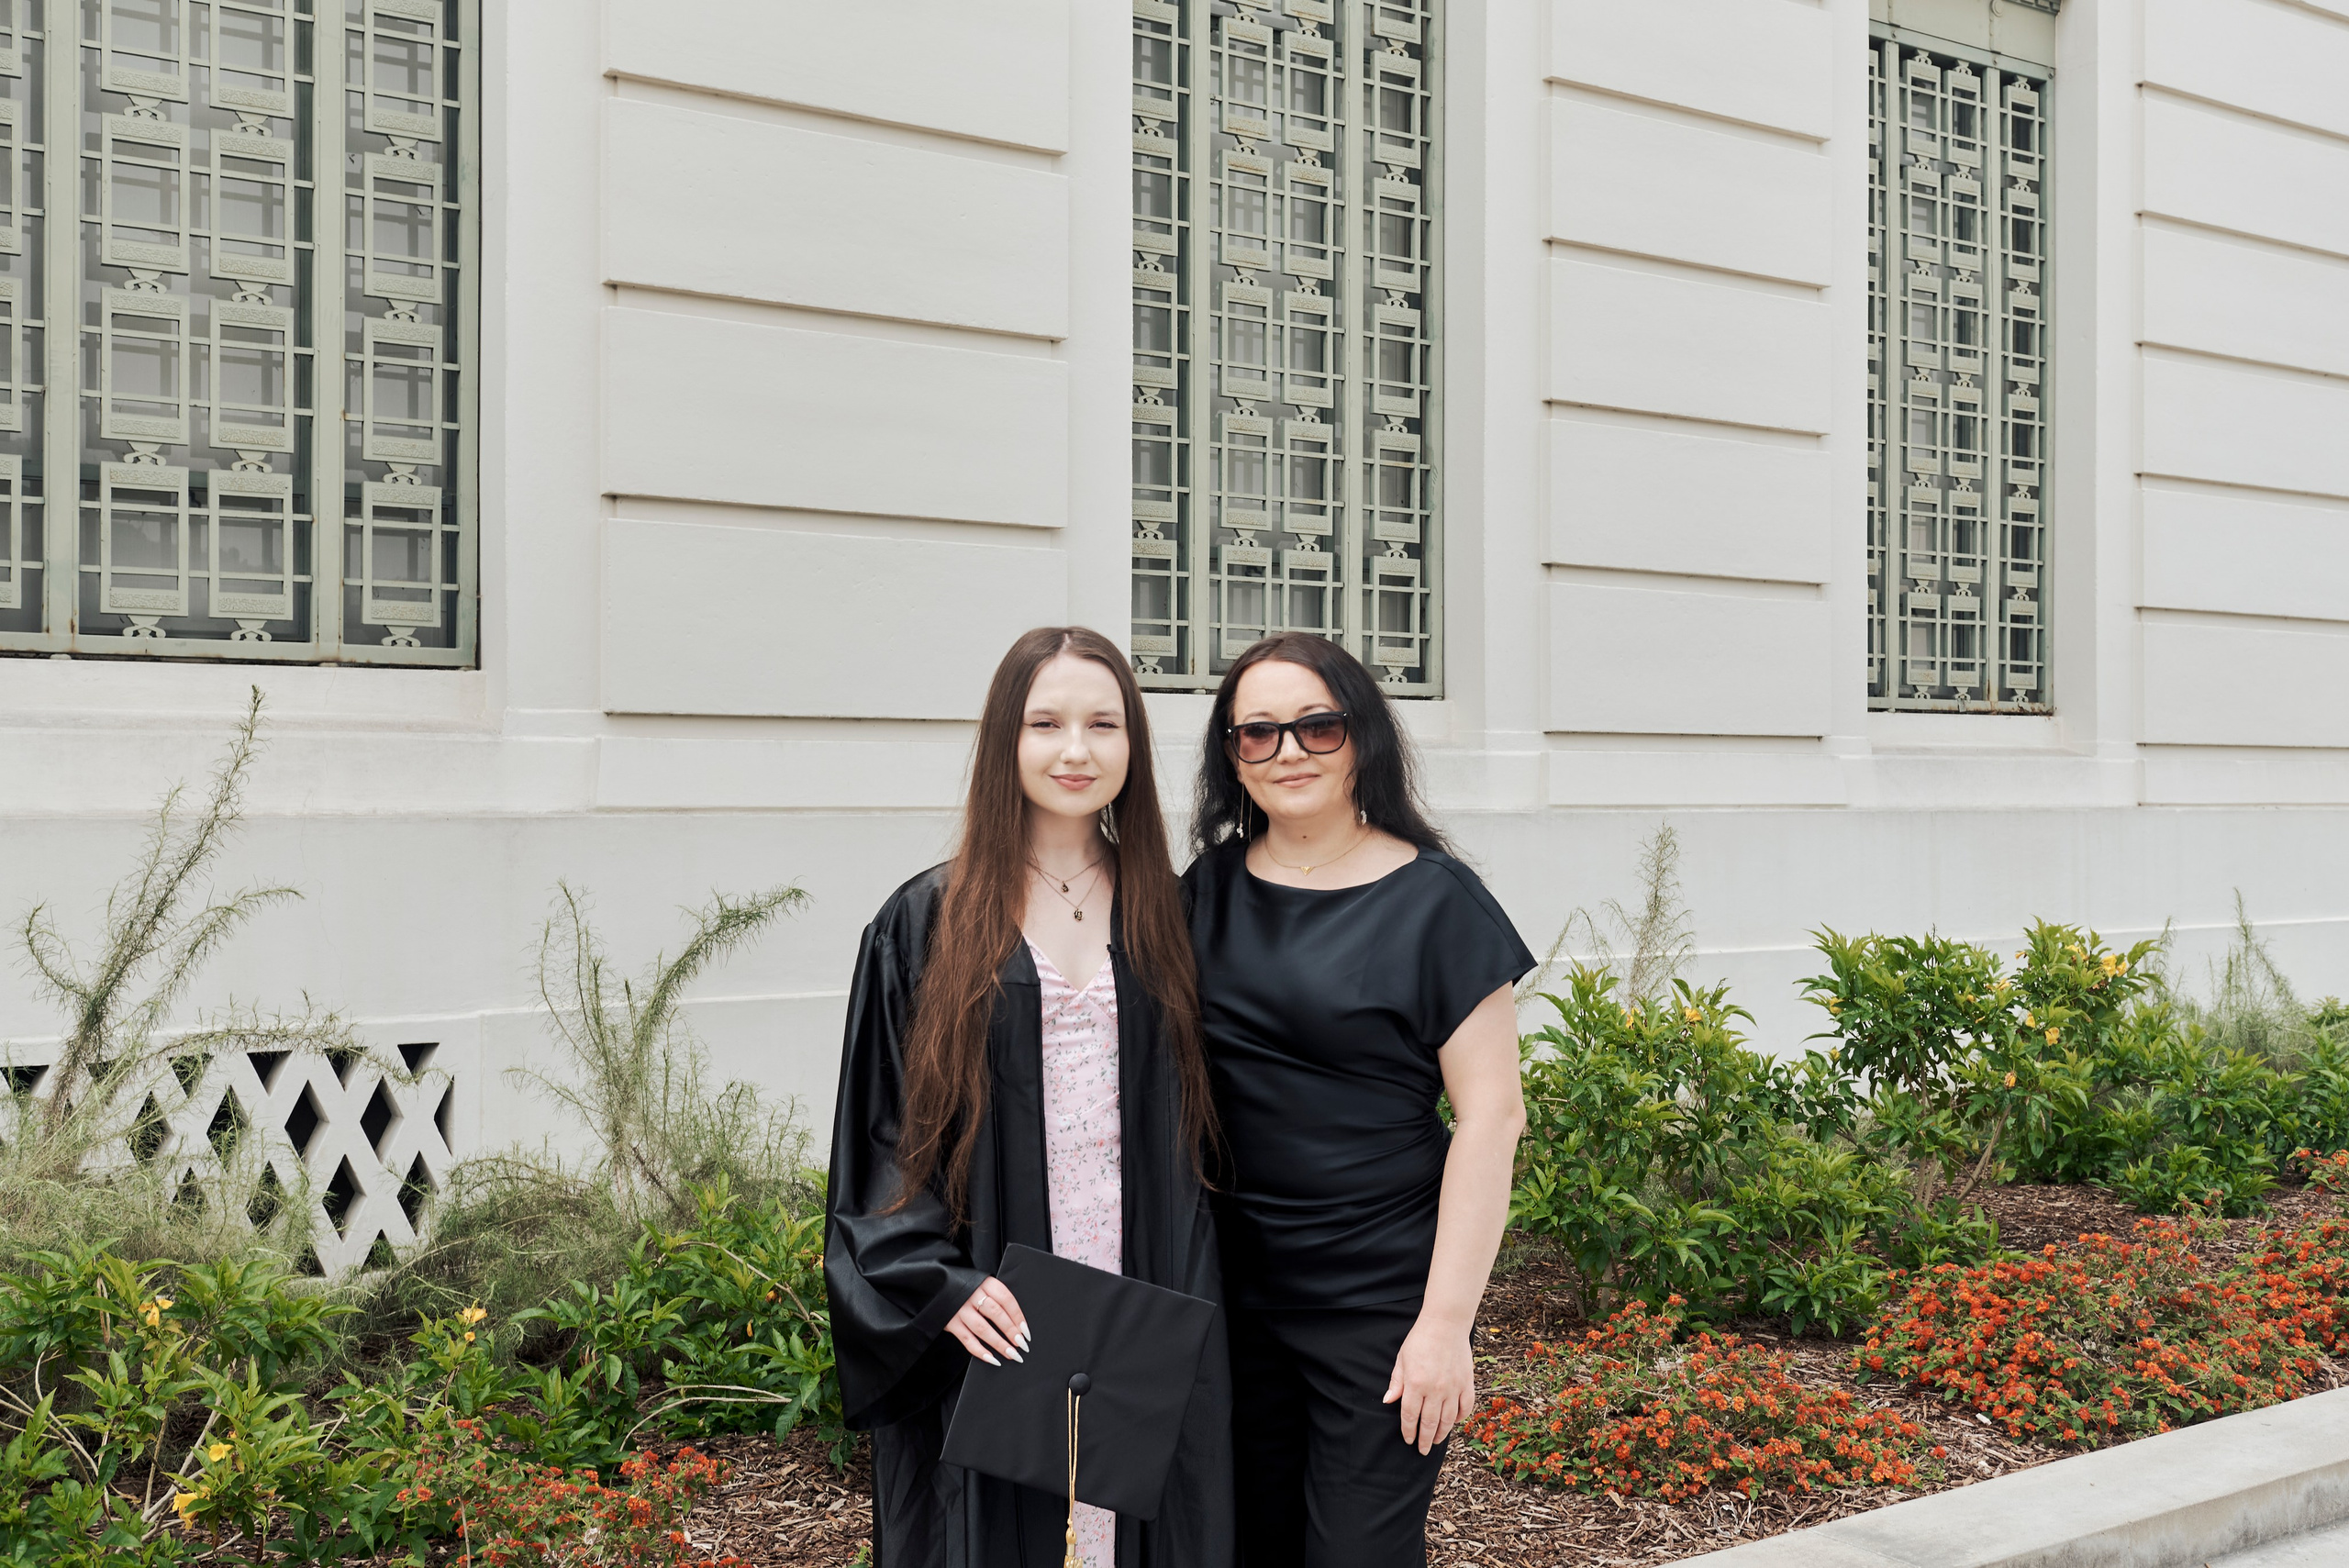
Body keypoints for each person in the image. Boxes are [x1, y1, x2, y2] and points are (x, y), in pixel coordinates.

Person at [825, 627, 1234, 1568]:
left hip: (1148, 1272)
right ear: (1004, 741)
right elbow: (882, 1133)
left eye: (1104, 722)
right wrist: (935, 1284)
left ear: (1133, 741)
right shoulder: (926, 919)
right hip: (1003, 1278)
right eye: (1044, 721)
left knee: (1141, 1522)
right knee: (1002, 1522)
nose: (1076, 749)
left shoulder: (1172, 912)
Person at [1184, 632, 1534, 1567]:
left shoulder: (1437, 901)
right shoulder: (1202, 891)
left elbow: (1491, 1117)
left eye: (1316, 725)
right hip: (1227, 1295)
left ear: (1362, 736)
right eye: (1256, 732)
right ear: (1230, 755)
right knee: (1244, 1543)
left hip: (1378, 1307)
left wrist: (1444, 1327)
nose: (1287, 750)